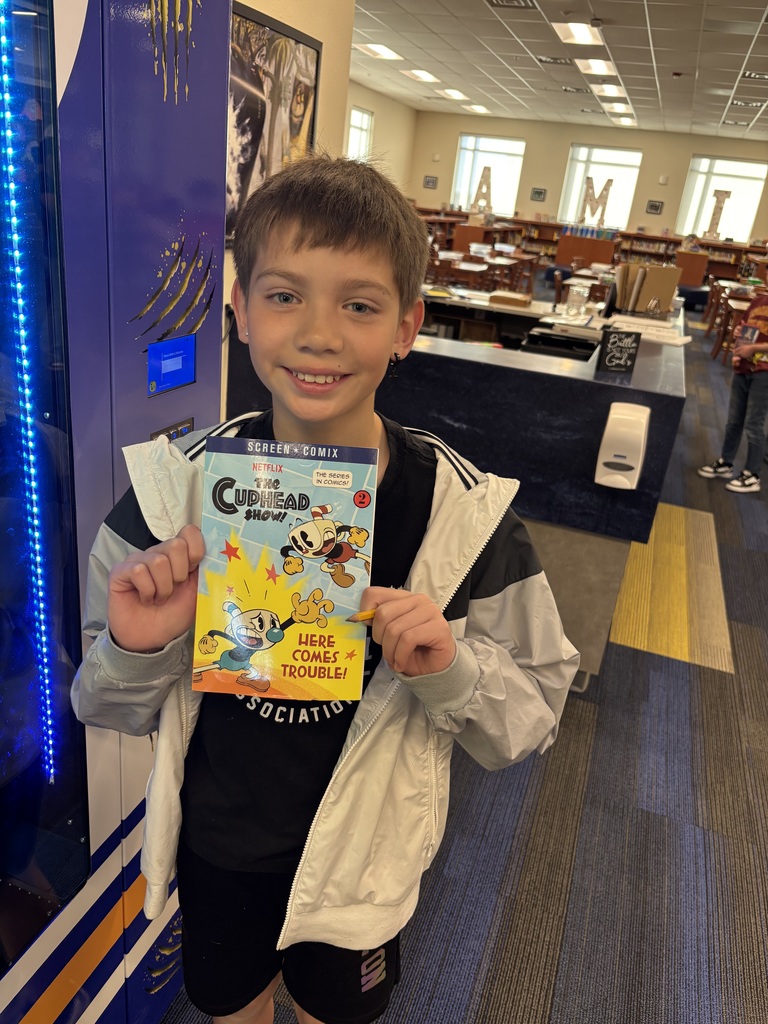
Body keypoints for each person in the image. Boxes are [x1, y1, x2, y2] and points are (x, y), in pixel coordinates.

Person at [71, 155, 579, 1024]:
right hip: (222, 844)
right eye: (283, 295)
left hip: (365, 870)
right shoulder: (170, 496)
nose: (319, 334)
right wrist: (138, 647)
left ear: (406, 325)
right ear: (238, 310)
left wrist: (450, 666)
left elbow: (533, 709)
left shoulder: (464, 514)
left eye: (359, 304)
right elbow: (101, 704)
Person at [698, 289, 768, 493]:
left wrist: (754, 349)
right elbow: (744, 325)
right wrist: (738, 333)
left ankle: (752, 475)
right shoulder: (759, 301)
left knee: (754, 424)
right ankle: (726, 462)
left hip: (764, 372)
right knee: (734, 420)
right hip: (744, 368)